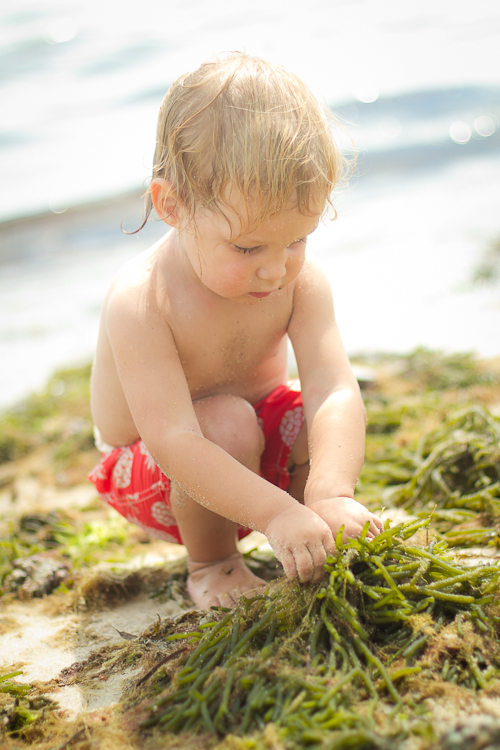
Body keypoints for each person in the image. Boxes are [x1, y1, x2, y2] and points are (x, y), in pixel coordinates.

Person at [88, 52, 383, 610]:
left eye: (297, 240)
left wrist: (329, 489)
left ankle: (315, 525)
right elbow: (172, 440)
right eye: (248, 248)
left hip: (250, 447)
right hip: (159, 475)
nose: (275, 269)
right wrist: (272, 511)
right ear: (172, 205)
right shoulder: (143, 301)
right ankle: (214, 561)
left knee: (302, 412)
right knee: (223, 421)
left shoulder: (300, 283)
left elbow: (334, 388)